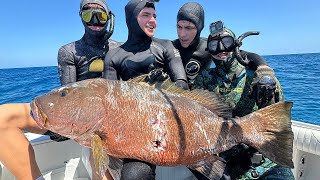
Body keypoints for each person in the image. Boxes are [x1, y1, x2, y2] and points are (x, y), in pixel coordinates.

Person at [0, 0, 120, 179]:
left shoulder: (120, 49)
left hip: (105, 126)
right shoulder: (69, 51)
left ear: (109, 18)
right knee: (3, 117)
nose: (94, 22)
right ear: (81, 17)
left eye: (101, 16)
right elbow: (66, 92)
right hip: (71, 119)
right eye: (88, 15)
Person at [192, 21, 295, 180]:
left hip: (266, 162)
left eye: (226, 43)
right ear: (209, 50)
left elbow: (279, 120)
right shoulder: (204, 79)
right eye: (214, 45)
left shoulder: (258, 75)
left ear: (235, 45)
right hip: (228, 161)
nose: (221, 50)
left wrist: (269, 84)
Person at [103, 0, 188, 179]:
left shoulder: (165, 46)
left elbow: (183, 85)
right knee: (133, 175)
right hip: (137, 132)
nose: (153, 21)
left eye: (155, 16)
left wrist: (166, 85)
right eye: (146, 15)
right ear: (132, 19)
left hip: (169, 125)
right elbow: (110, 104)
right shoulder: (113, 56)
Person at [173, 2, 275, 90]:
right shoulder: (170, 47)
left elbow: (244, 55)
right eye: (179, 27)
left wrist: (263, 69)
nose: (182, 34)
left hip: (201, 100)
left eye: (189, 28)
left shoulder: (209, 46)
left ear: (199, 28)